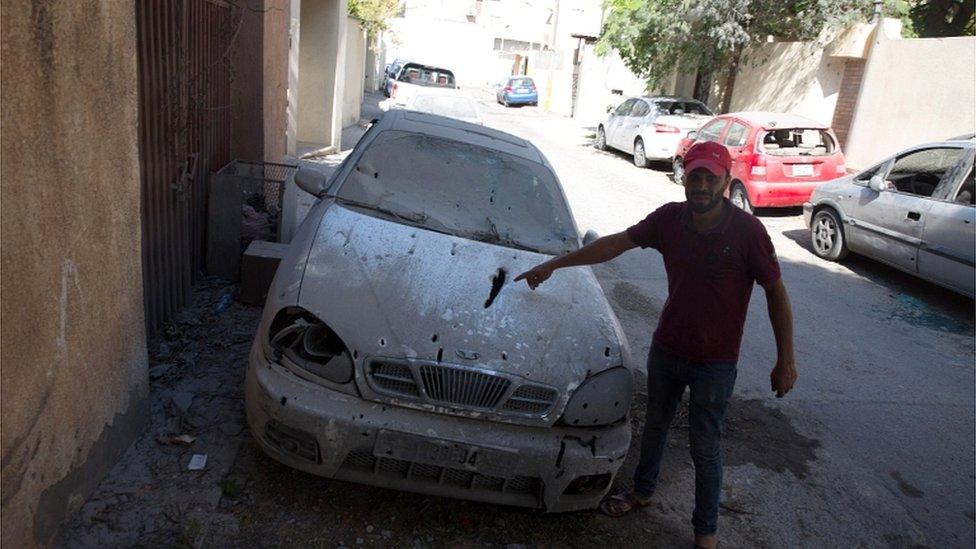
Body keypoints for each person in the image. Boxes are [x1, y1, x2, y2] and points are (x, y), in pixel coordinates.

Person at [514, 141, 797, 549]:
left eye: (709, 178)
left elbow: (776, 292)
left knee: (705, 446)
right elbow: (616, 243)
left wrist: (785, 359)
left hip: (715, 362)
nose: (700, 185)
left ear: (725, 182)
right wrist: (555, 264)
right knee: (655, 427)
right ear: (685, 178)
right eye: (694, 176)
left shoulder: (748, 232)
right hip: (667, 349)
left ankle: (706, 534)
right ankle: (642, 492)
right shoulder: (670, 220)